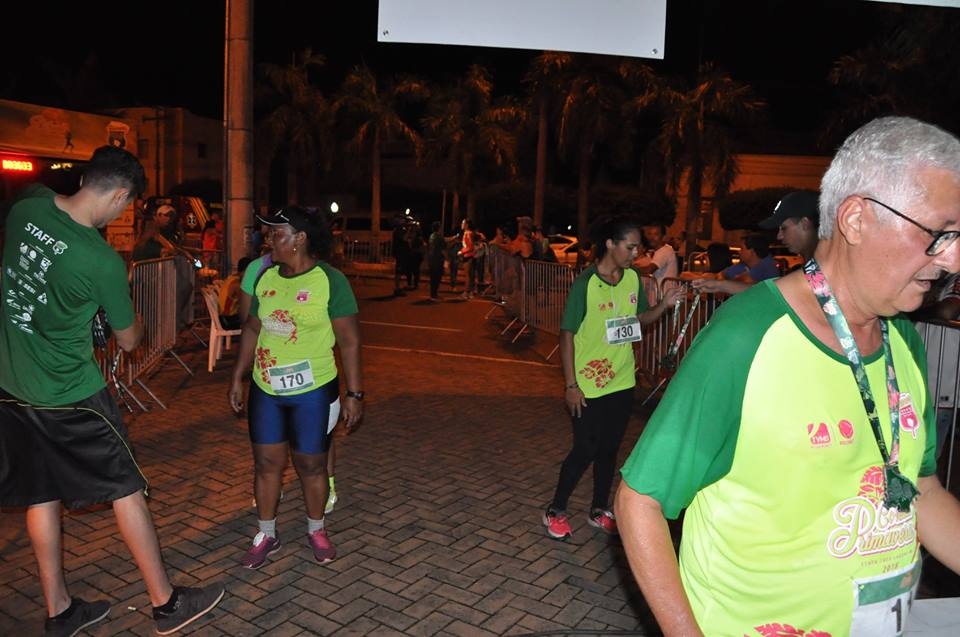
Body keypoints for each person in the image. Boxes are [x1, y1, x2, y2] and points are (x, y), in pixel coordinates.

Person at [615, 116, 960, 636]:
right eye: (940, 233)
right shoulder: (748, 336)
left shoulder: (904, 341)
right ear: (857, 218)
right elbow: (639, 500)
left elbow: (923, 489)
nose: (954, 258)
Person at [0, 146, 224, 636]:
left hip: (13, 384)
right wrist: (131, 317)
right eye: (127, 203)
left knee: (41, 494)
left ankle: (59, 611)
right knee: (127, 489)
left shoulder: (26, 208)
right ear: (120, 194)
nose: (124, 211)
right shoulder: (100, 260)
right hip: (71, 394)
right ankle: (166, 604)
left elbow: (37, 204)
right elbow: (128, 338)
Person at [228, 205, 363, 570]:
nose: (269, 239)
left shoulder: (330, 280)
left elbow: (348, 341)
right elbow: (253, 328)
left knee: (311, 464)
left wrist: (354, 393)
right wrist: (239, 374)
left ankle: (316, 529)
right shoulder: (265, 278)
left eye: (277, 233)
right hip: (267, 390)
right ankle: (267, 533)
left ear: (300, 239)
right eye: (269, 233)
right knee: (266, 463)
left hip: (313, 391)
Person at [543, 215, 684, 541]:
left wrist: (664, 304)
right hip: (587, 384)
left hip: (621, 381)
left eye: (637, 247)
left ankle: (597, 509)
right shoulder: (586, 284)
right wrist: (570, 385)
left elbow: (639, 320)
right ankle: (556, 510)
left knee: (609, 450)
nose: (635, 253)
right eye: (630, 246)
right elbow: (566, 335)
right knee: (585, 448)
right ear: (610, 243)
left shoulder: (633, 279)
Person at [693, 234, 780, 295]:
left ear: (752, 251)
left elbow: (739, 282)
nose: (739, 251)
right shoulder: (743, 265)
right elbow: (720, 276)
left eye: (742, 249)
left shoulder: (767, 266)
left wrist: (723, 282)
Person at [759, 190, 820, 263]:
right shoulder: (817, 265)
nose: (779, 236)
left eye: (784, 228)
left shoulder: (827, 265)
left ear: (805, 224)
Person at [218, 256, 252, 330]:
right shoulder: (237, 284)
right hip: (228, 320)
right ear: (246, 270)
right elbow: (245, 303)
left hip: (224, 317)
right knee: (255, 320)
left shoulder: (232, 278)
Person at [458, 219, 477, 298]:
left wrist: (461, 252)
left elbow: (470, 246)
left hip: (468, 256)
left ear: (467, 225)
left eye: (463, 223)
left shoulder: (467, 233)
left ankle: (466, 292)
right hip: (471, 256)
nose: (462, 224)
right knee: (470, 274)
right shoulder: (470, 233)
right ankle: (470, 292)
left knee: (467, 275)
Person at [427, 221, 446, 301]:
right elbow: (444, 247)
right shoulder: (439, 237)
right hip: (438, 259)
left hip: (431, 259)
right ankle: (434, 295)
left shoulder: (431, 236)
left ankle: (433, 294)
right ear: (439, 228)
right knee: (437, 277)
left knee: (433, 277)